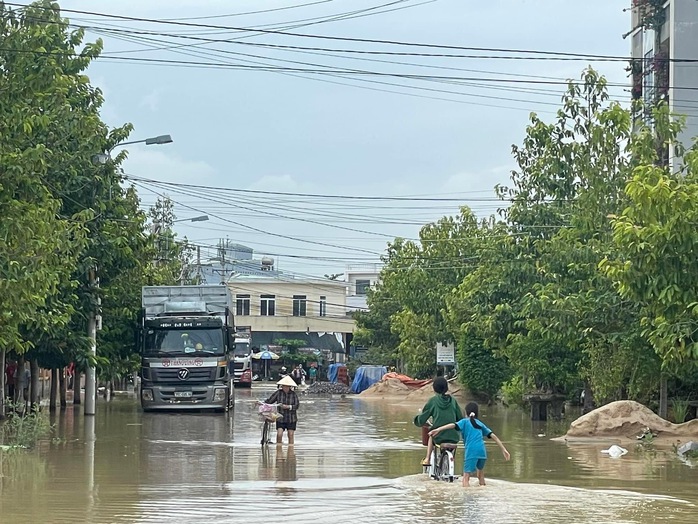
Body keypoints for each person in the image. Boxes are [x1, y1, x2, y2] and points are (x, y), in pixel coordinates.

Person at [430, 401, 510, 487]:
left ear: (466, 412)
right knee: (480, 476)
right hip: (482, 452)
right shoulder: (479, 423)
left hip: (472, 451)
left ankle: (468, 496)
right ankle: (481, 491)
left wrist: (438, 429)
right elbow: (493, 436)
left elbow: (452, 425)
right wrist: (504, 449)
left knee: (466, 477)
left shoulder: (464, 422)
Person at [413, 376, 462, 466]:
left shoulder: (433, 401)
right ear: (446, 388)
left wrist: (417, 420)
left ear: (434, 388)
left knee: (431, 436)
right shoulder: (453, 401)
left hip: (439, 436)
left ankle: (427, 459)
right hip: (454, 437)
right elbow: (460, 419)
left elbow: (422, 419)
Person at [263, 375, 300, 445]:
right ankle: (278, 449)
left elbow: (297, 405)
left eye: (287, 386)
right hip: (280, 418)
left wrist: (288, 407)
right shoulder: (278, 393)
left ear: (290, 387)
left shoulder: (294, 394)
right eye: (284, 386)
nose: (285, 388)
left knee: (290, 434)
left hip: (291, 418)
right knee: (279, 434)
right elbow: (270, 401)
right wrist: (261, 403)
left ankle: (291, 450)